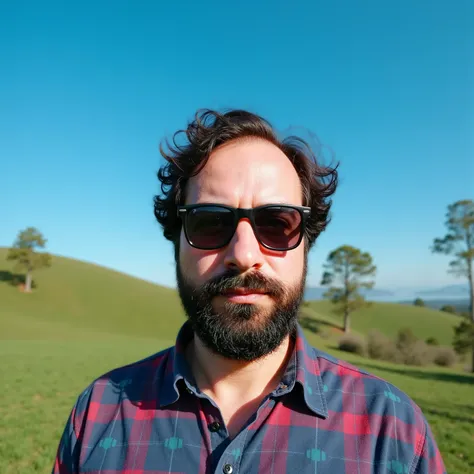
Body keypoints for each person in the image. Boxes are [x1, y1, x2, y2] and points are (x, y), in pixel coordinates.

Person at [52, 109, 447, 474]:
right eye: (209, 223)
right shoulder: (99, 413)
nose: (244, 255)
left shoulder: (392, 430)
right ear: (177, 243)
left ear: (306, 244)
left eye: (276, 223)